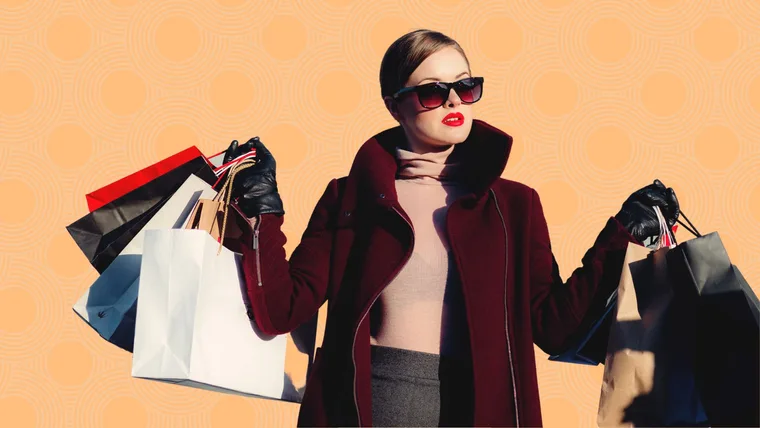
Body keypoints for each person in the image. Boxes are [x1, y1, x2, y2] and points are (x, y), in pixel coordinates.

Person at [222, 29, 680, 427]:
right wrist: (263, 210)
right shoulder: (351, 197)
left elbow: (554, 327)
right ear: (394, 105)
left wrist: (621, 234)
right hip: (367, 410)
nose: (456, 101)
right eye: (432, 92)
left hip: (481, 411)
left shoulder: (514, 205)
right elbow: (280, 309)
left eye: (466, 85)